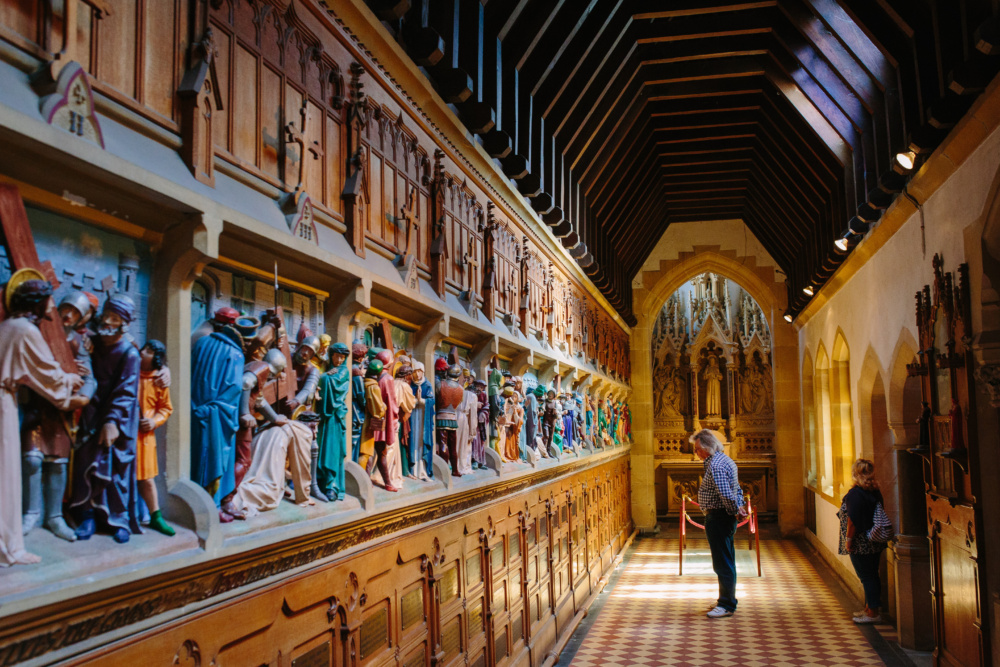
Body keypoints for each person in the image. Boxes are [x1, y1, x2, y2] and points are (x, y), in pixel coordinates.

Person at [1, 277, 85, 565]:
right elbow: (47, 373)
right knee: (10, 473)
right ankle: (9, 547)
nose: (54, 307)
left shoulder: (9, 326)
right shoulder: (25, 330)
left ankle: (48, 518)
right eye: (50, 299)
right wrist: (72, 381)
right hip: (7, 403)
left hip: (13, 401)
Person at [692, 429, 745, 618]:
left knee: (722, 563)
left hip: (719, 517)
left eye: (697, 449)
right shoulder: (725, 460)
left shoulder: (716, 465)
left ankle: (726, 604)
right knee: (726, 560)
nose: (696, 453)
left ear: (707, 447)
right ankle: (727, 599)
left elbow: (725, 494)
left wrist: (734, 510)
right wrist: (739, 508)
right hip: (724, 516)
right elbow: (736, 489)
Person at [839, 458, 888, 624]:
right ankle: (869, 608)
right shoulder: (874, 491)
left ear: (855, 474)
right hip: (874, 539)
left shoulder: (855, 494)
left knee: (867, 577)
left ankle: (873, 613)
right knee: (872, 574)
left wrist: (848, 541)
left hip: (861, 542)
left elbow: (852, 521)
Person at [136, 340, 175, 536]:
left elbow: (166, 408)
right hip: (125, 434)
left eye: (149, 351)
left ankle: (155, 516)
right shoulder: (130, 370)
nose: (143, 353)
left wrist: (154, 421)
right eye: (144, 349)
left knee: (147, 479)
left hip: (144, 437)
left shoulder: (158, 380)